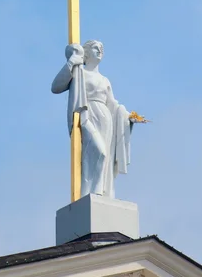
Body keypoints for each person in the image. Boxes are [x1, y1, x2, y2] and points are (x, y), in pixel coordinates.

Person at [51, 40, 140, 198]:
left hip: (106, 120)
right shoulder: (80, 73)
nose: (100, 50)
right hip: (87, 114)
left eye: (102, 48)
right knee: (99, 152)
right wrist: (72, 61)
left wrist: (127, 117)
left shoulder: (105, 80)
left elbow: (113, 104)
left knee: (105, 158)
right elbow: (56, 87)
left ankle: (101, 193)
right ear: (86, 52)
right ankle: (89, 192)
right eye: (95, 48)